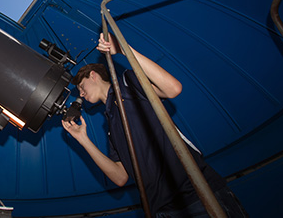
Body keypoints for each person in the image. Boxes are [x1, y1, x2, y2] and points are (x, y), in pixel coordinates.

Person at [62, 33, 248, 217]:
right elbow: (120, 177)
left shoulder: (127, 84)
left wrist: (123, 50)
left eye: (80, 86)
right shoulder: (110, 125)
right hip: (160, 209)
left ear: (93, 75)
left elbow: (172, 88)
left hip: (195, 194)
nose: (81, 94)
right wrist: (83, 139)